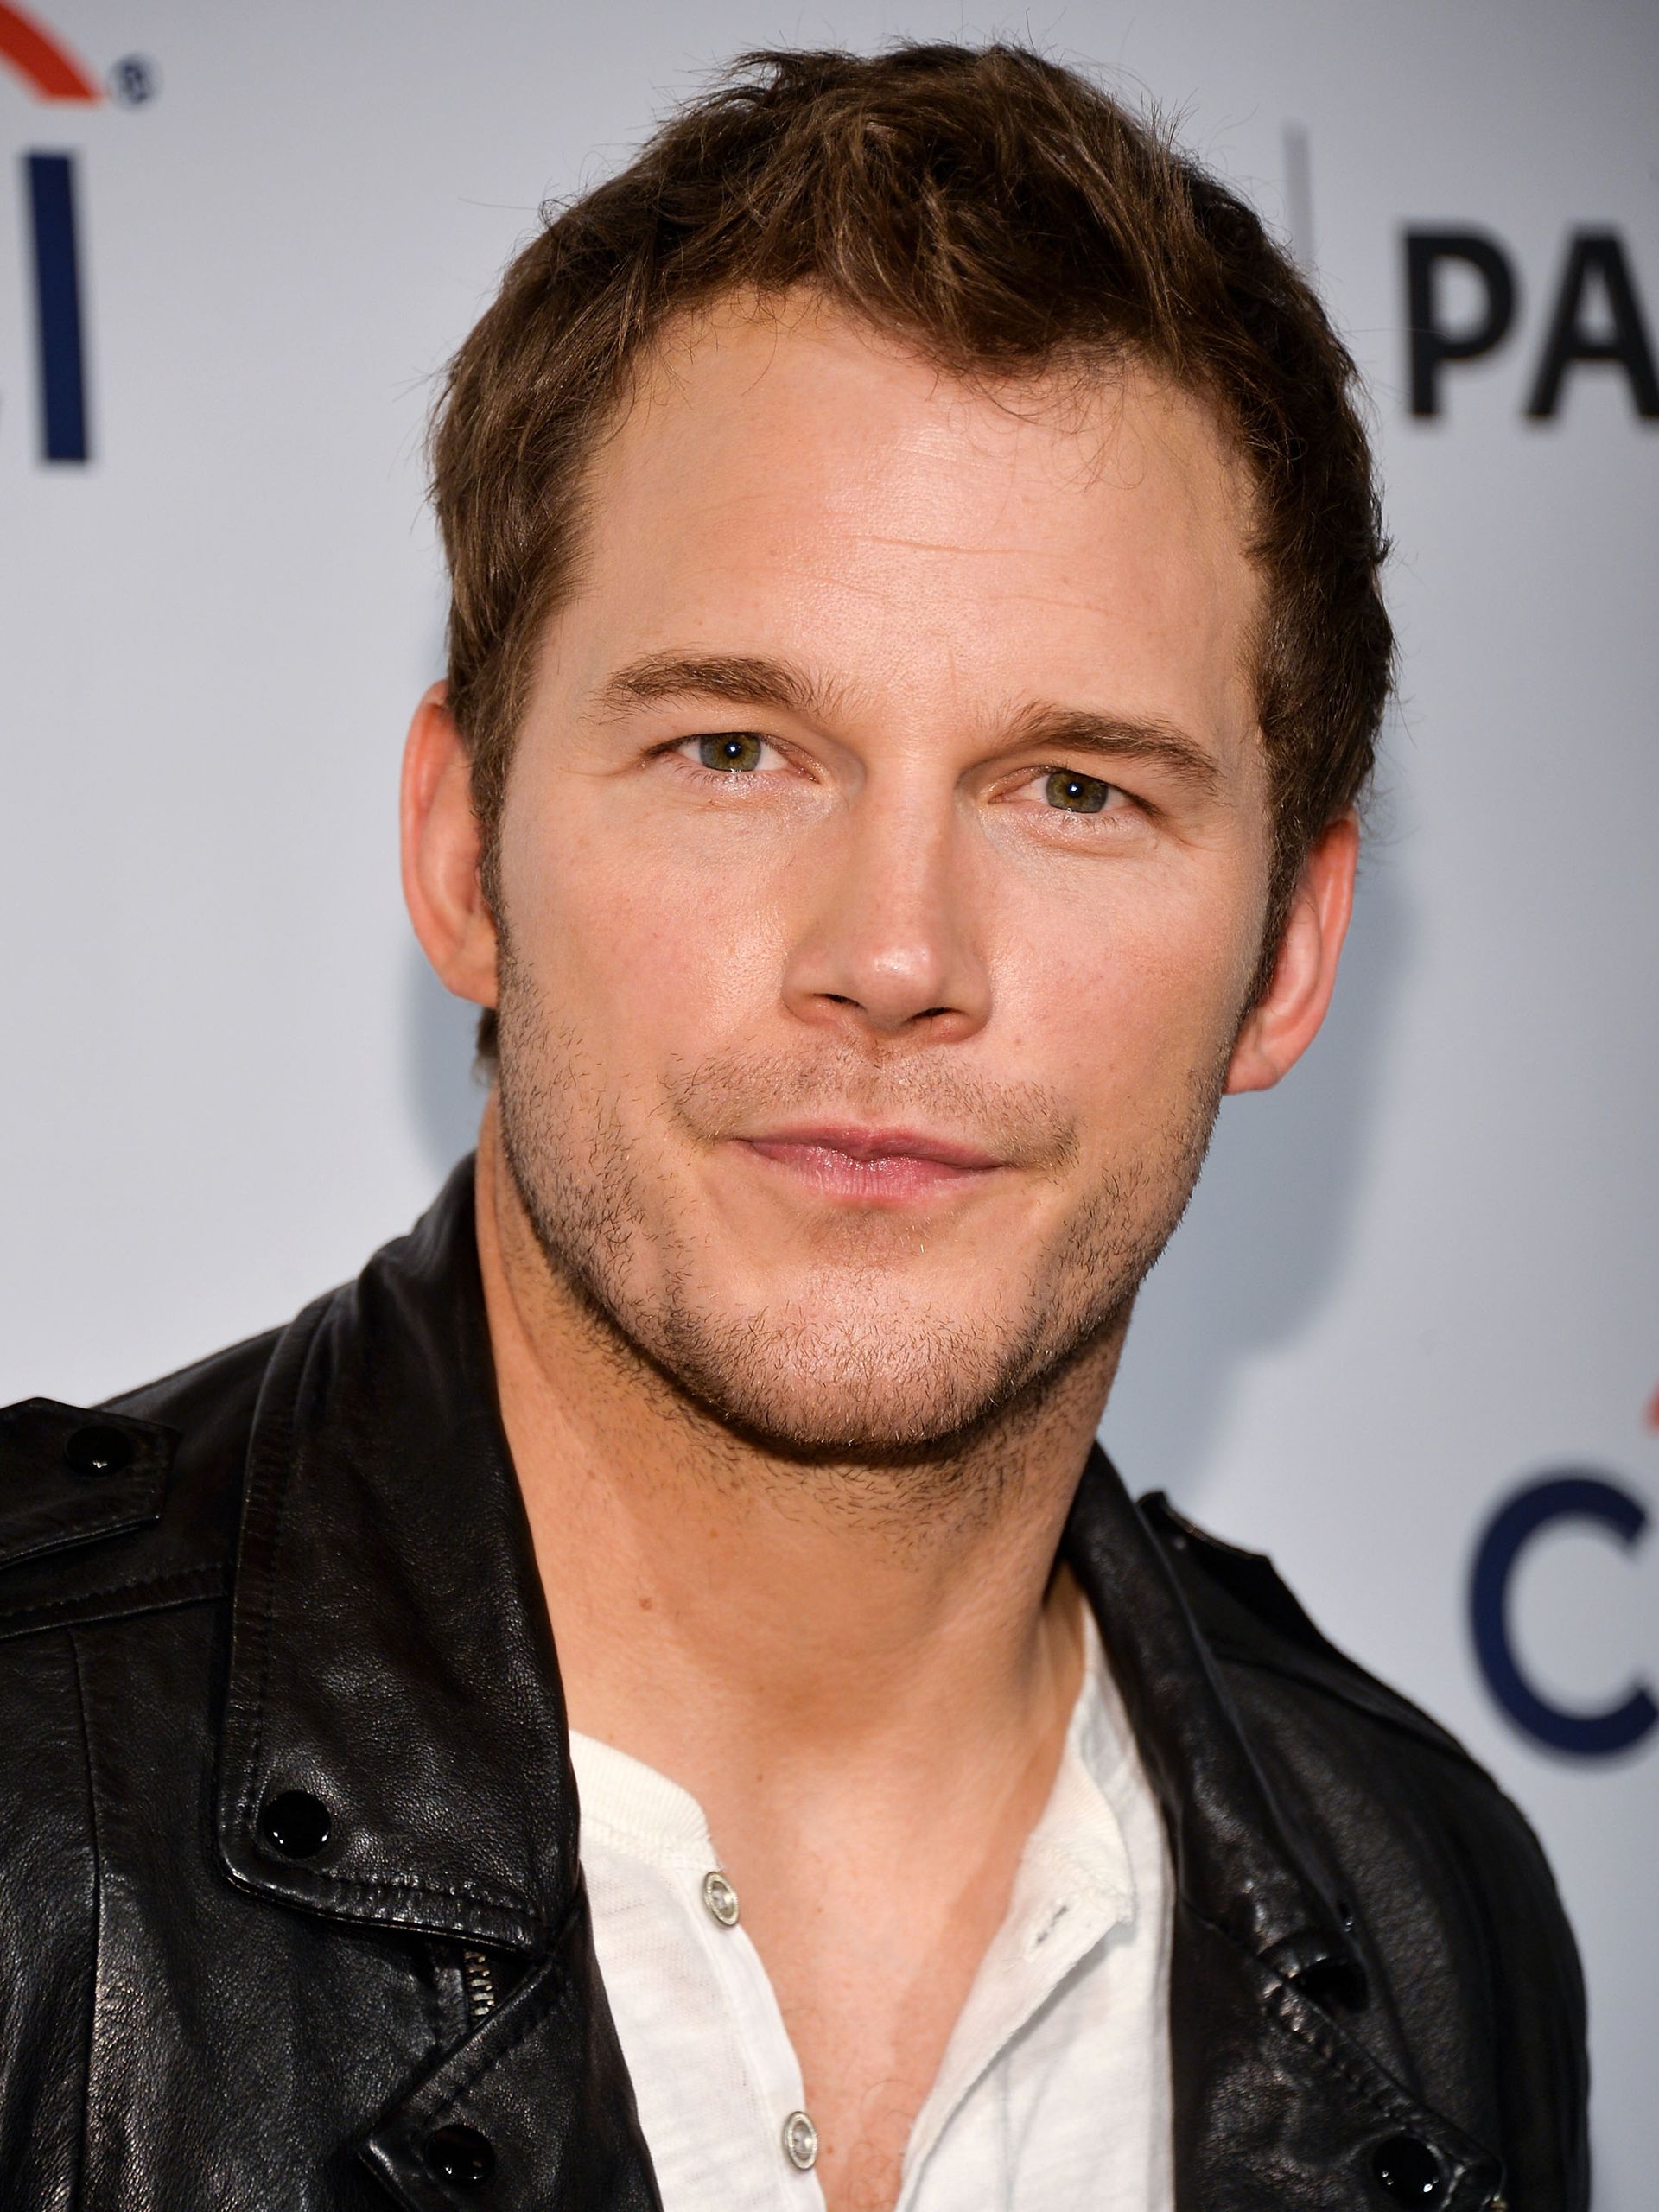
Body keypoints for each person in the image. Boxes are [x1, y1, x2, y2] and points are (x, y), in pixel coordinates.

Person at [0, 41, 1586, 2212]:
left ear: (1293, 954)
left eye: (1074, 789)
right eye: (737, 750)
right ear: (462, 851)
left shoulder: (1432, 1909)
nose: (896, 951)